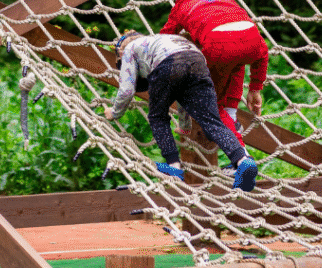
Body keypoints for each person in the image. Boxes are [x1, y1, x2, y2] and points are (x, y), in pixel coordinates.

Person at [104, 32, 260, 192]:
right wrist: (185, 126)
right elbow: (182, 95)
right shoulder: (161, 40)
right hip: (198, 62)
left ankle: (174, 166)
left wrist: (114, 112)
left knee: (158, 117)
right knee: (211, 120)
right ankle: (243, 161)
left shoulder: (128, 49)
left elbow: (126, 90)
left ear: (120, 53)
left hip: (168, 63)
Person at [159, 0, 268, 148]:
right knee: (236, 60)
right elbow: (260, 51)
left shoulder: (182, 5)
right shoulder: (227, 0)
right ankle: (231, 116)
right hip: (253, 41)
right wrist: (255, 88)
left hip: (219, 47)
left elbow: (165, 37)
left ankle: (240, 153)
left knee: (211, 104)